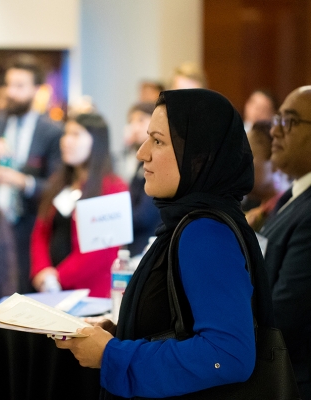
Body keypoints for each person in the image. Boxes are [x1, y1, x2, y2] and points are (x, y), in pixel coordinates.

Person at [55, 89, 273, 398]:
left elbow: (227, 355)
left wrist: (114, 355)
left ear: (198, 157)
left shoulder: (205, 231)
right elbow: (182, 323)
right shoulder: (190, 222)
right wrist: (120, 335)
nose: (142, 153)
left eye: (158, 141)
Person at [0, 53, 63, 293]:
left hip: (28, 226)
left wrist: (22, 182)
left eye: (19, 86)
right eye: (9, 85)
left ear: (36, 90)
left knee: (22, 296)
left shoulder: (51, 131)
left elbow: (57, 187)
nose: (11, 92)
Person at [30, 113, 127, 297]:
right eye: (66, 134)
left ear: (96, 141)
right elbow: (41, 231)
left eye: (76, 134)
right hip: (51, 291)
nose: (66, 141)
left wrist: (58, 277)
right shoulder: (59, 182)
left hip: (90, 295)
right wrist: (42, 272)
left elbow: (102, 250)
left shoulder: (113, 187)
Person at [259, 85, 311, 399]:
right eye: (277, 119)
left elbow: (284, 314)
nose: (275, 131)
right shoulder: (293, 195)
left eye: (288, 122)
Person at [123, 103, 161, 256]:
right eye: (131, 122)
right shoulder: (140, 161)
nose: (134, 127)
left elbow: (144, 215)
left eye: (141, 120)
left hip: (148, 247)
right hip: (135, 247)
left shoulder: (158, 161)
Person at [243, 120, 282, 231]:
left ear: (275, 163)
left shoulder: (280, 213)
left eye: (249, 157)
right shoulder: (247, 206)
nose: (239, 165)